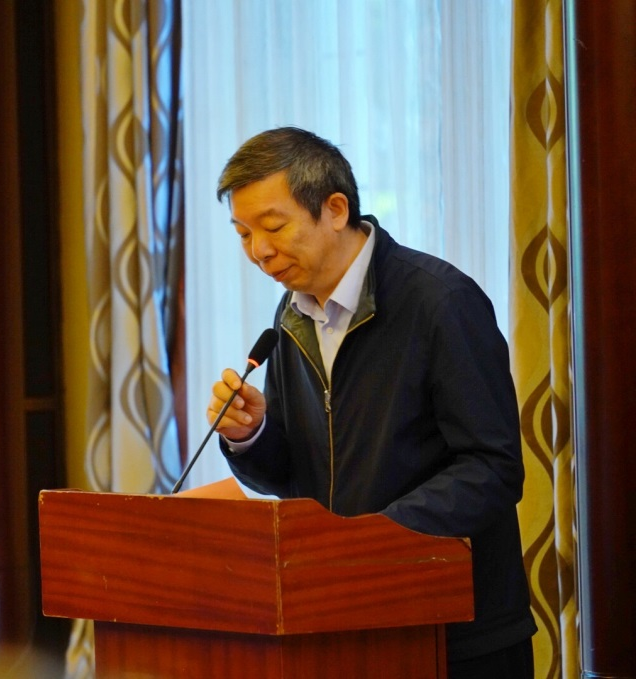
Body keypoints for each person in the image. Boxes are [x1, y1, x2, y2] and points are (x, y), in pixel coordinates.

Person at [208, 127, 536, 678]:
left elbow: (493, 468)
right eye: (243, 234)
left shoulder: (440, 302)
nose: (259, 251)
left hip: (451, 632)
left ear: (335, 209)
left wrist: (370, 541)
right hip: (340, 621)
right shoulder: (291, 316)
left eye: (273, 227)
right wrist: (250, 434)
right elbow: (294, 477)